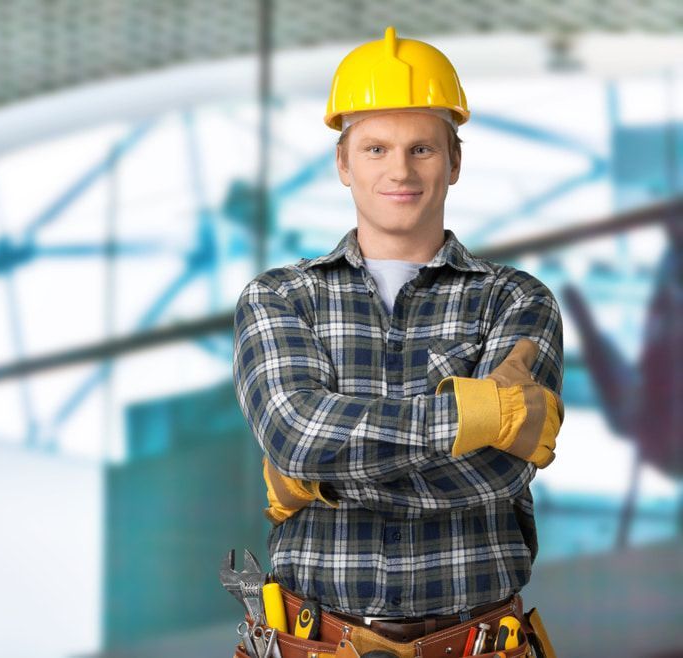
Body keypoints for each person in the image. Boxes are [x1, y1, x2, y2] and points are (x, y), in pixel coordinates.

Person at [231, 26, 565, 640]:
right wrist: (476, 414)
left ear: (454, 162)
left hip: (476, 643)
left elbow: (497, 472)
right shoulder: (278, 297)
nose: (400, 170)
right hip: (317, 643)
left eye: (422, 148)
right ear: (344, 163)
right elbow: (295, 434)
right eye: (376, 149)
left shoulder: (516, 300)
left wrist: (320, 480)